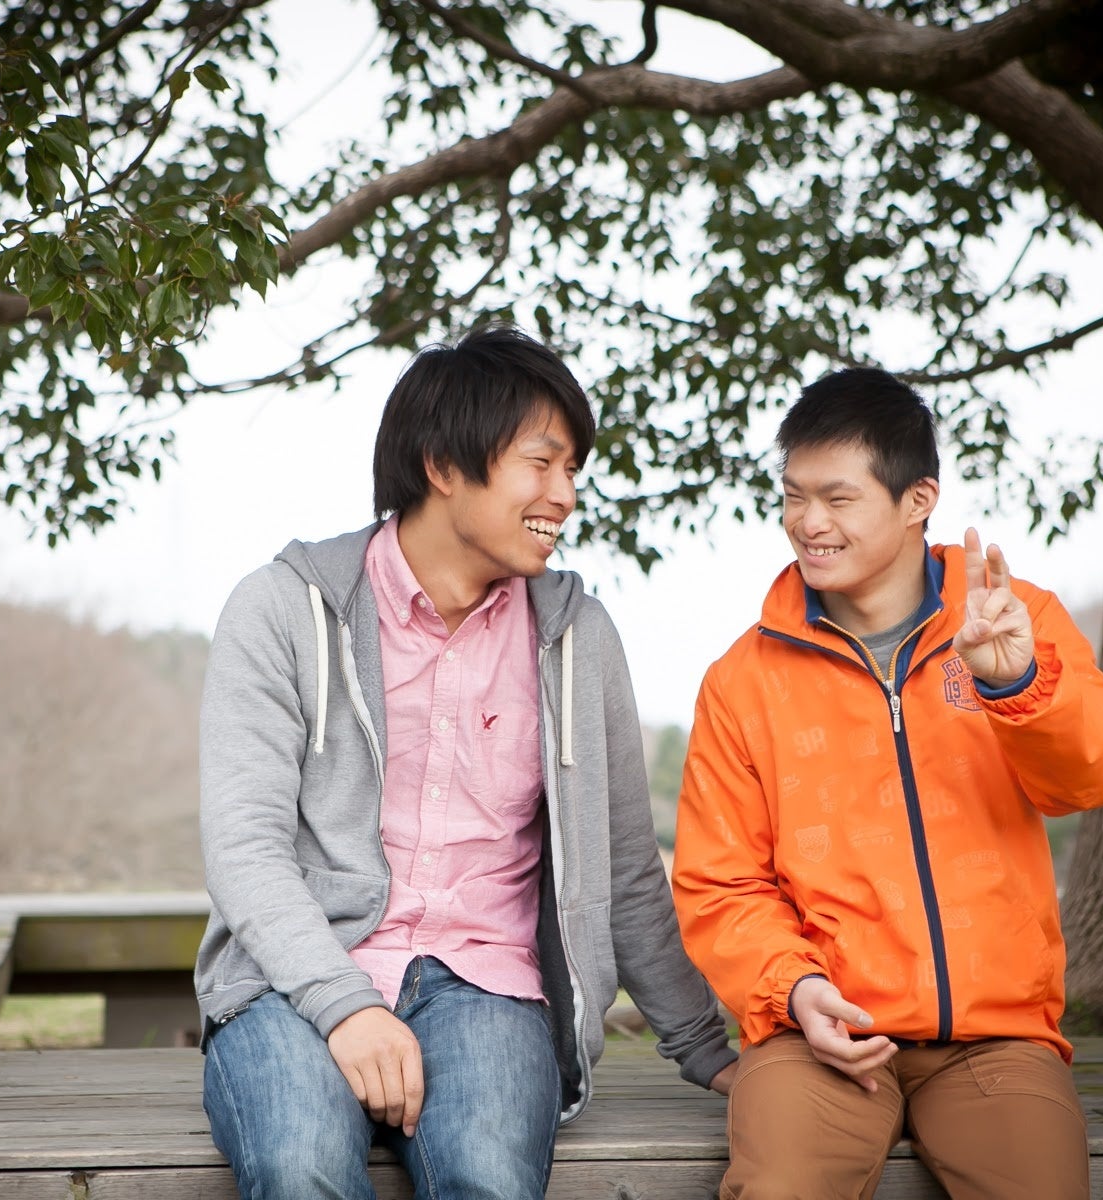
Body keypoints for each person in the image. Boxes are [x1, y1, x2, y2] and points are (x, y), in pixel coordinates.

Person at [195, 324, 738, 1200]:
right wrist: (346, 1006)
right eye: (541, 464)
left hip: (489, 986)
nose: (565, 495)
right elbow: (244, 849)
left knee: (487, 1177)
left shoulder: (577, 639)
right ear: (444, 464)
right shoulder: (283, 610)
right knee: (301, 1165)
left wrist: (706, 1049)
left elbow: (625, 872)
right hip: (295, 980)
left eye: (572, 471)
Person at [672, 367, 1103, 1200]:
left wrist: (1014, 684)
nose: (809, 522)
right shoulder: (742, 680)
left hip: (996, 1037)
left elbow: (1099, 774)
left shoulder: (1014, 618)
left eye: (838, 498)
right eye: (794, 496)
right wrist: (796, 990)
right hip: (817, 1037)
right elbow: (720, 883)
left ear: (918, 499)